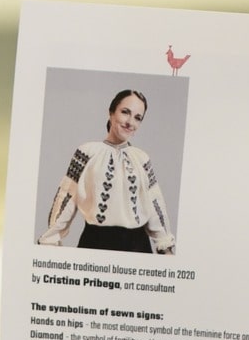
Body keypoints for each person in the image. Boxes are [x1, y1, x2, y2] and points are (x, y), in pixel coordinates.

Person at [39, 87, 176, 255]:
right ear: (111, 113)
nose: (130, 122)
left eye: (137, 118)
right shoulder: (87, 152)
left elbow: (155, 204)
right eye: (125, 112)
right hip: (95, 243)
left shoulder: (141, 159)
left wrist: (165, 247)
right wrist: (50, 240)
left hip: (137, 248)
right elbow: (66, 197)